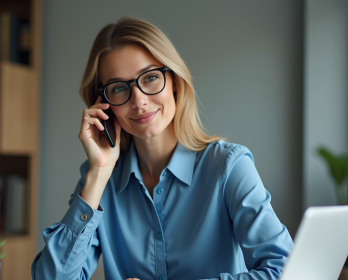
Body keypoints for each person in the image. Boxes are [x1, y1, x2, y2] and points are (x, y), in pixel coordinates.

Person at [31, 16, 293, 280]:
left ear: (175, 82)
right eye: (119, 88)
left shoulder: (229, 166)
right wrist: (99, 173)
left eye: (151, 77)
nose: (139, 101)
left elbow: (287, 271)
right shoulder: (99, 180)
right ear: (104, 105)